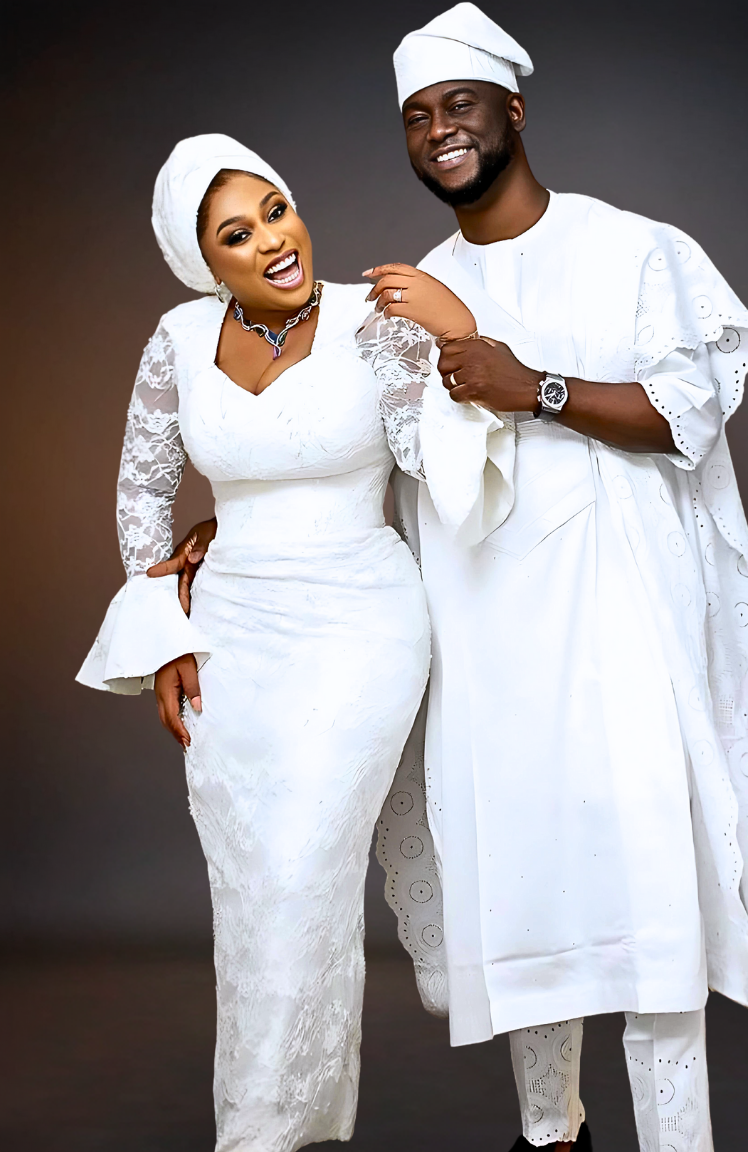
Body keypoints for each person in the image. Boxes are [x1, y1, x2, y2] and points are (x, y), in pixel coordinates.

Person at [164, 6, 748, 1150]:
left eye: (457, 104)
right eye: (415, 116)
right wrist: (236, 517)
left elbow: (686, 415)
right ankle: (548, 1135)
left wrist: (533, 384)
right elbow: (348, 440)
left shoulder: (628, 246)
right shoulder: (396, 300)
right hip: (486, 638)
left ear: (511, 108)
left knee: (647, 906)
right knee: (522, 891)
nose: (437, 131)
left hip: (620, 629)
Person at [75, 132, 474, 1151]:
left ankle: (256, 1137)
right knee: (253, 890)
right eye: (236, 232)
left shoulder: (372, 325)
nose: (273, 239)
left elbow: (440, 465)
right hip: (232, 636)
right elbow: (141, 493)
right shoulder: (174, 338)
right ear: (201, 262)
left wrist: (456, 337)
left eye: (277, 208)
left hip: (360, 626)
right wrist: (165, 638)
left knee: (302, 869)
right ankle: (280, 1125)